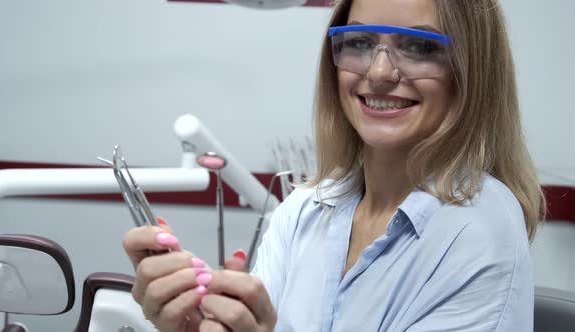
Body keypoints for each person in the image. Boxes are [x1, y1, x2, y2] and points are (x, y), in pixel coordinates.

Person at [122, 0, 545, 331]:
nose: (379, 73)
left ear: (472, 70)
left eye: (419, 46)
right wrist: (196, 323)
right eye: (359, 42)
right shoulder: (305, 208)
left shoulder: (482, 232)